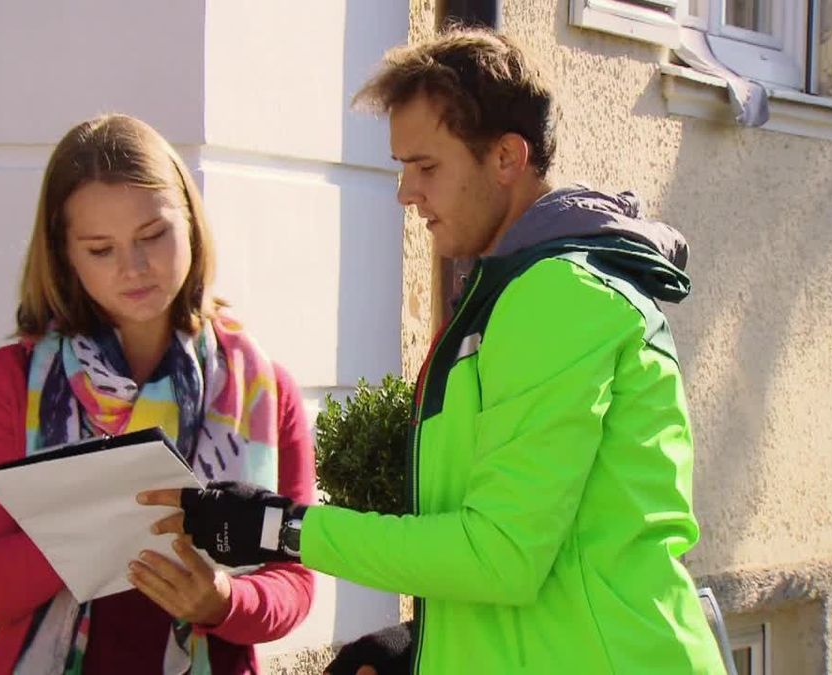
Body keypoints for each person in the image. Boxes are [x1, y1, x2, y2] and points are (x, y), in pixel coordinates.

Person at [139, 28, 729, 674]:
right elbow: (509, 547)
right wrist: (419, 647)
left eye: (426, 166)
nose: (405, 193)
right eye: (401, 167)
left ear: (506, 158)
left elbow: (499, 553)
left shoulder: (556, 294)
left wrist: (280, 527)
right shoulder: (514, 290)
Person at [0, 113, 316, 675]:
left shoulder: (262, 387)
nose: (135, 268)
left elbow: (295, 578)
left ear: (190, 223)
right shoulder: (6, 385)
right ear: (64, 253)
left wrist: (222, 601)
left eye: (153, 236)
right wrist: (101, 528)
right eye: (101, 249)